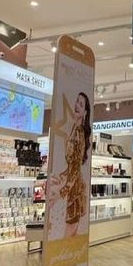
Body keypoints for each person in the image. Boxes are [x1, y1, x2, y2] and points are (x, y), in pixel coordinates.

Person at [55, 92, 91, 237]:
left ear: (85, 112)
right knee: (71, 233)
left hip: (74, 190)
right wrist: (62, 175)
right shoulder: (74, 129)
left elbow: (75, 166)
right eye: (77, 101)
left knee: (68, 233)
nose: (76, 105)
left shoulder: (79, 132)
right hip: (74, 186)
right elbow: (73, 164)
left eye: (81, 104)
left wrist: (63, 191)